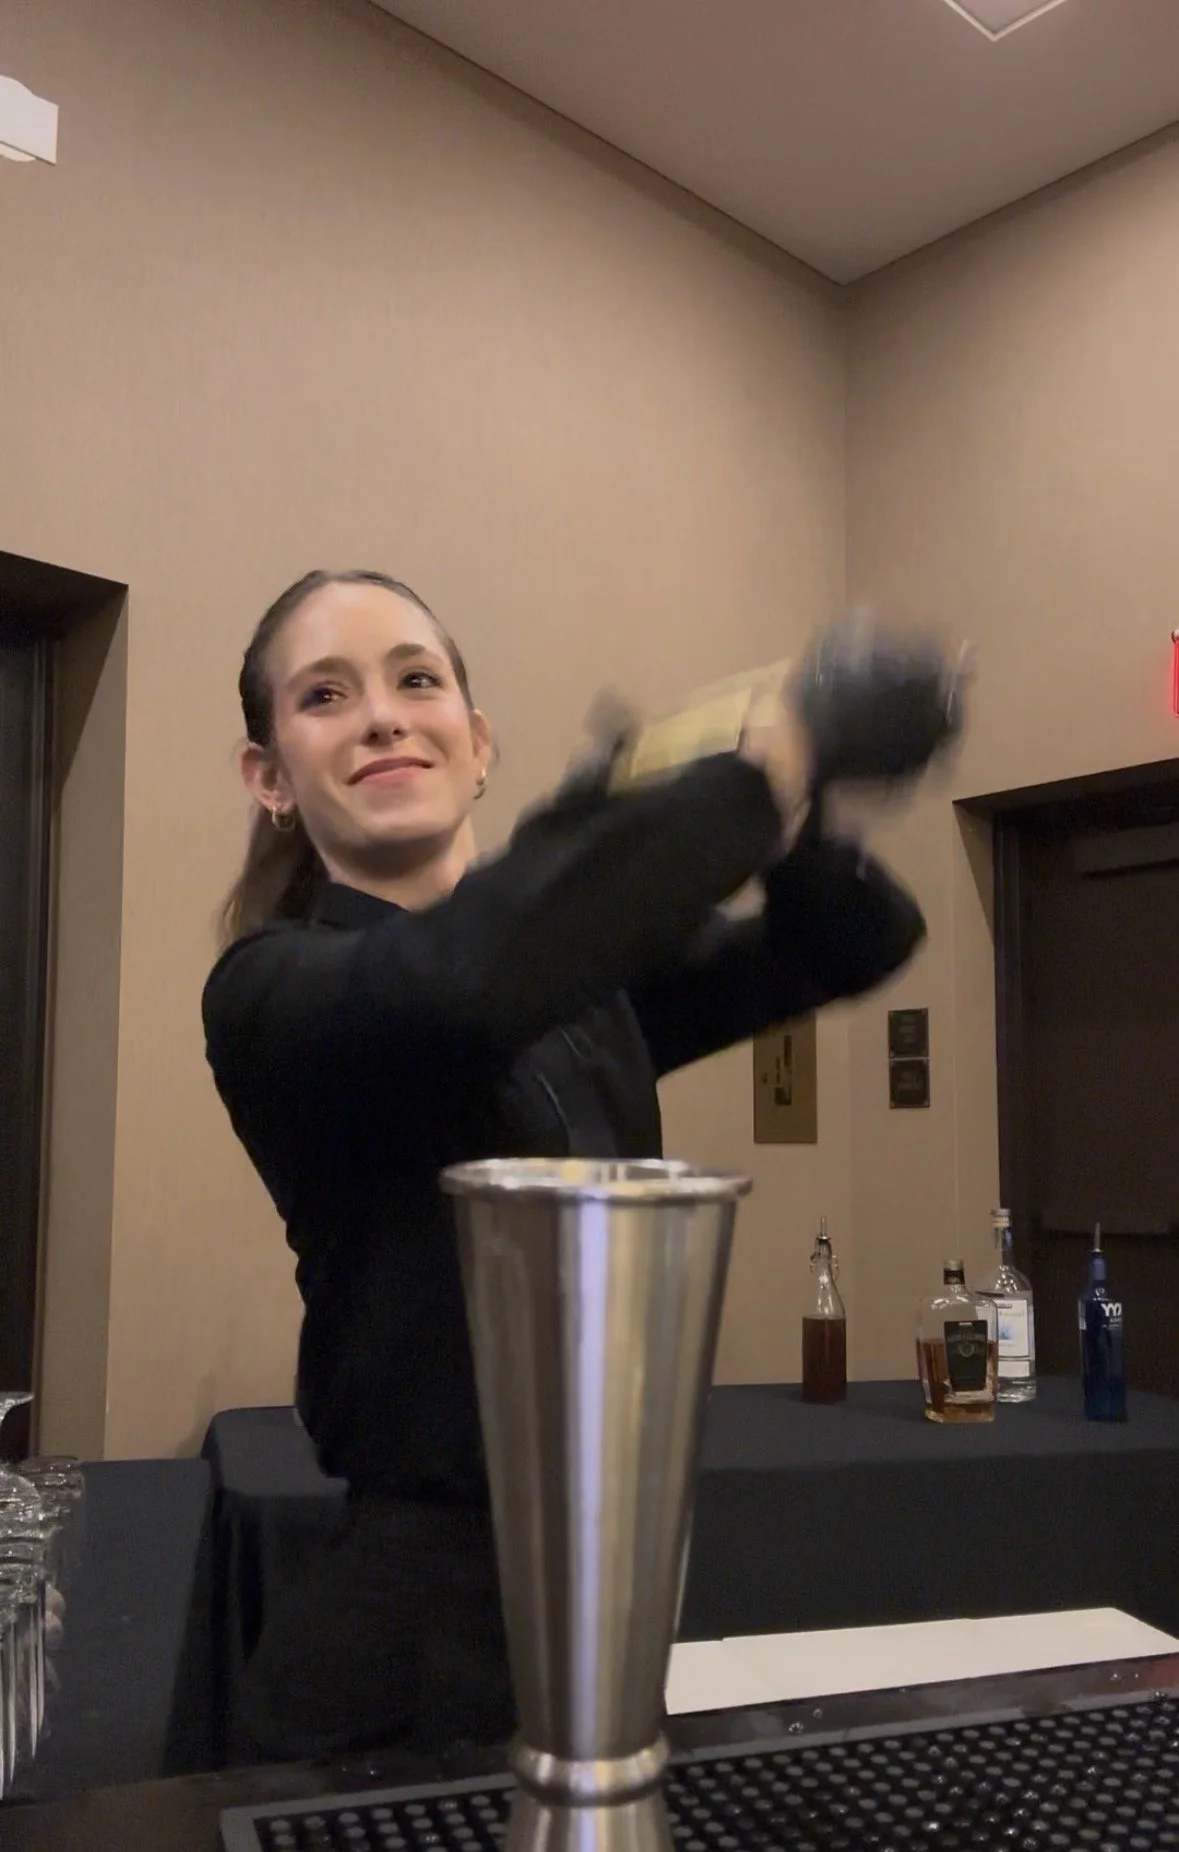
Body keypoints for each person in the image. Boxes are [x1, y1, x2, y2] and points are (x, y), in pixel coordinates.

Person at [202, 568, 930, 1763]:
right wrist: (754, 768)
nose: (382, 716)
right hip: (408, 1651)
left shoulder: (580, 985)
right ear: (269, 777)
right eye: (325, 696)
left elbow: (854, 941)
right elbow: (463, 985)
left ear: (478, 743)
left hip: (603, 1594)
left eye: (416, 680)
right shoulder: (272, 992)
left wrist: (802, 804)